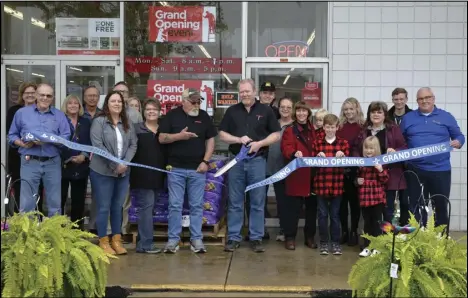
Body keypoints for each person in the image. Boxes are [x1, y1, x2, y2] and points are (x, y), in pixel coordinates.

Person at [219, 79, 281, 253]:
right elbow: (222, 134)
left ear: (255, 92)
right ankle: (233, 237)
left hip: (257, 161)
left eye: (247, 91)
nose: (245, 94)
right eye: (242, 92)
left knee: (257, 200)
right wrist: (238, 139)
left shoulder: (266, 110)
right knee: (235, 201)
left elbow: (276, 134)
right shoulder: (232, 111)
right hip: (236, 162)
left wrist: (260, 143)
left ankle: (256, 237)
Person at [158, 88, 217, 254]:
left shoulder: (204, 116)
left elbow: (211, 141)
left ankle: (196, 239)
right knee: (175, 205)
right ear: (183, 100)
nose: (196, 105)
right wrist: (179, 136)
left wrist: (205, 161)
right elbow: (162, 138)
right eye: (193, 101)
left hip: (198, 169)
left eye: (199, 101)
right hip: (175, 168)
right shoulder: (172, 116)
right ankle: (173, 240)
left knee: (197, 205)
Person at [400, 87, 465, 227]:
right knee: (416, 206)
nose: (424, 101)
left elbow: (459, 136)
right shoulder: (408, 118)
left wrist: (458, 142)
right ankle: (417, 238)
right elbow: (401, 141)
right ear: (417, 101)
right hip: (415, 169)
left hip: (440, 170)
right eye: (421, 99)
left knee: (440, 205)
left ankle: (441, 239)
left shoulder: (446, 116)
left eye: (427, 97)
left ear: (433, 98)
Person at [8, 83, 71, 216]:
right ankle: (28, 236)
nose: (45, 98)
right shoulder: (22, 113)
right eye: (42, 95)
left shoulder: (59, 115)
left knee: (54, 203)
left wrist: (51, 140)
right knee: (27, 204)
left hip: (52, 162)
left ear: (52, 98)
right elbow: (11, 136)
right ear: (36, 95)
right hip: (29, 161)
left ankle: (53, 235)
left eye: (48, 96)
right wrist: (23, 144)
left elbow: (66, 137)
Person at [89, 91, 137, 255]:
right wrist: (114, 164)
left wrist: (124, 163)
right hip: (102, 171)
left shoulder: (127, 122)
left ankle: (116, 240)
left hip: (123, 172)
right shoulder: (99, 122)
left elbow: (133, 145)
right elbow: (97, 146)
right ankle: (103, 240)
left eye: (119, 101)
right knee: (104, 207)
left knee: (118, 206)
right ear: (107, 104)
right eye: (113, 101)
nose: (117, 104)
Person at [353, 101, 408, 226]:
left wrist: (395, 151)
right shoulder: (364, 131)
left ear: (385, 115)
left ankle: (385, 241)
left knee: (387, 211)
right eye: (373, 112)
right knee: (370, 214)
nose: (376, 115)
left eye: (379, 112)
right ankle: (371, 240)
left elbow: (404, 147)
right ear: (369, 114)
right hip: (369, 180)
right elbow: (356, 149)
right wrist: (359, 162)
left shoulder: (393, 128)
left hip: (388, 176)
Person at [130, 99, 166, 254]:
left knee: (150, 208)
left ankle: (141, 242)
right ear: (143, 112)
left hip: (159, 174)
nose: (151, 112)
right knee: (147, 207)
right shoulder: (136, 129)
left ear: (160, 112)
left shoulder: (164, 129)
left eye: (154, 109)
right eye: (148, 109)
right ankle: (146, 244)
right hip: (142, 175)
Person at [280, 101, 317, 250]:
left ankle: (310, 237)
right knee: (292, 209)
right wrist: (294, 153)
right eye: (299, 111)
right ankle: (290, 237)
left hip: (312, 175)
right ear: (295, 113)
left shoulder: (314, 129)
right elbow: (286, 147)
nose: (302, 114)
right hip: (296, 174)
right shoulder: (290, 130)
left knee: (311, 209)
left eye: (304, 111)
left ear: (308, 113)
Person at [312, 114, 349, 256]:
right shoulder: (317, 143)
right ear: (323, 127)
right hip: (321, 184)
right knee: (322, 215)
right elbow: (311, 164)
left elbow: (347, 164)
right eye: (327, 127)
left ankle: (335, 242)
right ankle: (323, 242)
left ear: (337, 127)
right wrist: (316, 157)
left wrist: (343, 156)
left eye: (332, 127)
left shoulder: (343, 143)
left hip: (337, 184)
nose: (330, 130)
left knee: (334, 215)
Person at [113, 81, 143, 242]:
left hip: (127, 162)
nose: (121, 95)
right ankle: (108, 231)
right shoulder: (103, 114)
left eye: (124, 92)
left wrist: (127, 161)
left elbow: (137, 140)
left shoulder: (135, 115)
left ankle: (121, 231)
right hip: (107, 164)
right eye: (118, 92)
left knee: (124, 200)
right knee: (108, 199)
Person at [6, 82, 42, 215]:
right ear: (22, 95)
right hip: (18, 156)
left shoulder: (42, 110)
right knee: (20, 189)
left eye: (33, 92)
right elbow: (10, 133)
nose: (30, 95)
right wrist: (22, 144)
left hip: (37, 155)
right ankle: (20, 224)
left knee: (37, 191)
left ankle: (37, 225)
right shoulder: (14, 111)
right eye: (27, 93)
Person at [60, 94, 92, 230]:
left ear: (79, 106)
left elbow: (91, 141)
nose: (73, 105)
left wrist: (84, 155)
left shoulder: (86, 122)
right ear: (65, 106)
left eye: (76, 103)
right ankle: (59, 231)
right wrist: (66, 157)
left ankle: (76, 232)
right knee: (60, 200)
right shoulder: (60, 120)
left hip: (81, 166)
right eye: (70, 103)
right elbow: (55, 141)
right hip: (62, 166)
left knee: (78, 202)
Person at [336, 97, 365, 246]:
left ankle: (354, 231)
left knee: (355, 203)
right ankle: (344, 232)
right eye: (345, 109)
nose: (348, 112)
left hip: (357, 170)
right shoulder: (339, 127)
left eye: (351, 109)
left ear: (357, 109)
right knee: (342, 203)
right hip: (341, 170)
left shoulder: (363, 127)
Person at [265, 97, 294, 242]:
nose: (285, 109)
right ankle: (260, 230)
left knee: (283, 202)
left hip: (284, 169)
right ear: (279, 108)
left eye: (288, 107)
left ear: (292, 109)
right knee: (259, 201)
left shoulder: (295, 127)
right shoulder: (272, 124)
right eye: (283, 106)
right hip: (266, 166)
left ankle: (283, 230)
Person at [356, 136, 389, 257]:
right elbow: (356, 178)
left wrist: (380, 170)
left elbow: (385, 179)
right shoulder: (361, 162)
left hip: (377, 197)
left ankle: (377, 247)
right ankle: (367, 247)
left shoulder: (381, 162)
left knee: (377, 223)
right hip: (365, 198)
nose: (369, 151)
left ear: (376, 149)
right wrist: (357, 181)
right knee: (366, 223)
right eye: (366, 148)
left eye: (371, 148)